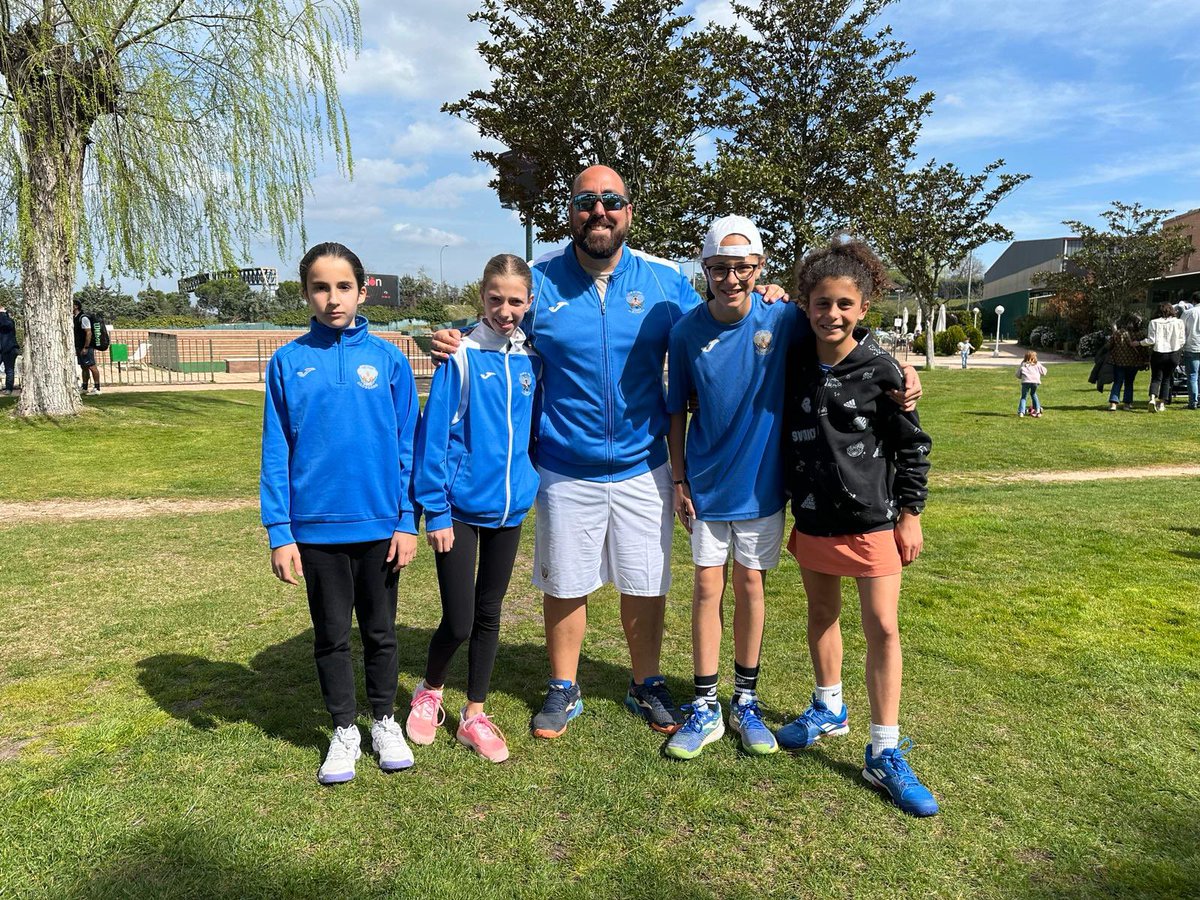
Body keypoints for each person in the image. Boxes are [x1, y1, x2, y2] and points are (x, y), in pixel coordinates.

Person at [777, 237, 938, 818]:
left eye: (845, 304)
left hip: (874, 522)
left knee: (884, 629)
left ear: (864, 308)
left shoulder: (883, 370)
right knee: (822, 616)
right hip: (815, 516)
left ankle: (885, 749)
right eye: (821, 304)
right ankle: (828, 707)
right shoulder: (792, 355)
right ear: (806, 306)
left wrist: (910, 512)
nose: (832, 315)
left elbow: (913, 446)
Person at [260, 242, 420, 785]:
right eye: (321, 287)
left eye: (343, 286)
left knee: (381, 633)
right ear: (305, 292)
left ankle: (383, 721)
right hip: (316, 530)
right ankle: (344, 731)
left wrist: (405, 520)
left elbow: (406, 446)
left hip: (379, 526)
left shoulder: (389, 359)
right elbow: (275, 450)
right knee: (331, 635)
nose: (333, 298)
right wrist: (280, 532)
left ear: (362, 287)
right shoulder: (287, 361)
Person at [663, 215, 808, 759]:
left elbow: (842, 335)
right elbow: (675, 412)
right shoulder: (685, 331)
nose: (731, 279)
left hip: (762, 486)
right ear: (705, 269)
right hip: (704, 484)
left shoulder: (783, 316)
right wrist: (679, 478)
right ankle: (704, 705)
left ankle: (744, 699)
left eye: (743, 269)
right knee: (706, 588)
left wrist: (898, 372)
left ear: (760, 268)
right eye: (720, 268)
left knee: (750, 588)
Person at [407, 255, 542, 763]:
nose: (505, 310)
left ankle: (475, 713)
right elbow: (433, 437)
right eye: (495, 299)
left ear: (528, 302)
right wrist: (436, 512)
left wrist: (526, 483)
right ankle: (430, 690)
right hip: (459, 510)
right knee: (459, 620)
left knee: (490, 615)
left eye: (515, 301)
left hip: (509, 509)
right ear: (481, 298)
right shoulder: (459, 356)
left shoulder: (532, 357)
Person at [1142, 303, 1185, 412]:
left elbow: (1151, 340)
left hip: (1159, 353)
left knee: (1156, 378)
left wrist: (1140, 343)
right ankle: (1161, 403)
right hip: (1173, 353)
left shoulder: (1154, 322)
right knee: (1167, 378)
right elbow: (1182, 340)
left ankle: (1152, 398)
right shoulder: (1179, 322)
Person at [1106, 315, 1146, 412]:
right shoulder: (1141, 334)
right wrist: (1146, 360)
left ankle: (1113, 403)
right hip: (1134, 362)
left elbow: (1109, 345)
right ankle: (1127, 404)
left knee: (1117, 382)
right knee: (1129, 383)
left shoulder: (1119, 333)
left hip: (1119, 361)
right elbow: (1144, 349)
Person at [72, 300, 101, 395]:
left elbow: (88, 332)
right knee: (84, 367)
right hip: (79, 346)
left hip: (86, 347)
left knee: (92, 366)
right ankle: (84, 387)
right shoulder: (75, 318)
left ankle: (97, 388)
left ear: (76, 306)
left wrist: (86, 347)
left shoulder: (83, 318)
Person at [1182, 294, 1200, 410]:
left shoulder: (1188, 313)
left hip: (1192, 346)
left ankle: (1193, 401)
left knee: (1192, 375)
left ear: (1193, 301)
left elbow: (1181, 329)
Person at [1017, 350, 1047, 418]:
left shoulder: (1023, 364)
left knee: (1023, 397)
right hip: (1035, 382)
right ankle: (1038, 409)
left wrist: (1020, 376)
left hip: (1025, 382)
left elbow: (1018, 374)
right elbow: (1044, 372)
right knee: (1033, 394)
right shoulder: (1037, 364)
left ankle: (1021, 412)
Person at [0, 304, 17, 395]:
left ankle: (9, 389)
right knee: (9, 370)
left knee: (9, 370)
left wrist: (2, 314)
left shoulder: (9, 321)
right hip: (1, 349)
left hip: (9, 349)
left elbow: (7, 325)